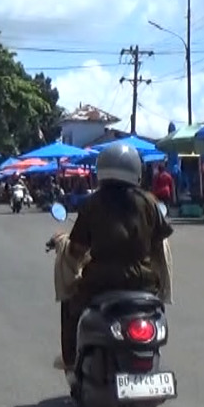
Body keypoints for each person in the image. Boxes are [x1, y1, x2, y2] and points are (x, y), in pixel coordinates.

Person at [55, 143, 172, 374]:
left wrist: (62, 245)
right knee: (156, 310)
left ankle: (70, 361)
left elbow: (77, 250)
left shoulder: (93, 203)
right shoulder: (149, 202)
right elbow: (159, 245)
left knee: (70, 303)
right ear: (136, 171)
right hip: (143, 283)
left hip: (101, 282)